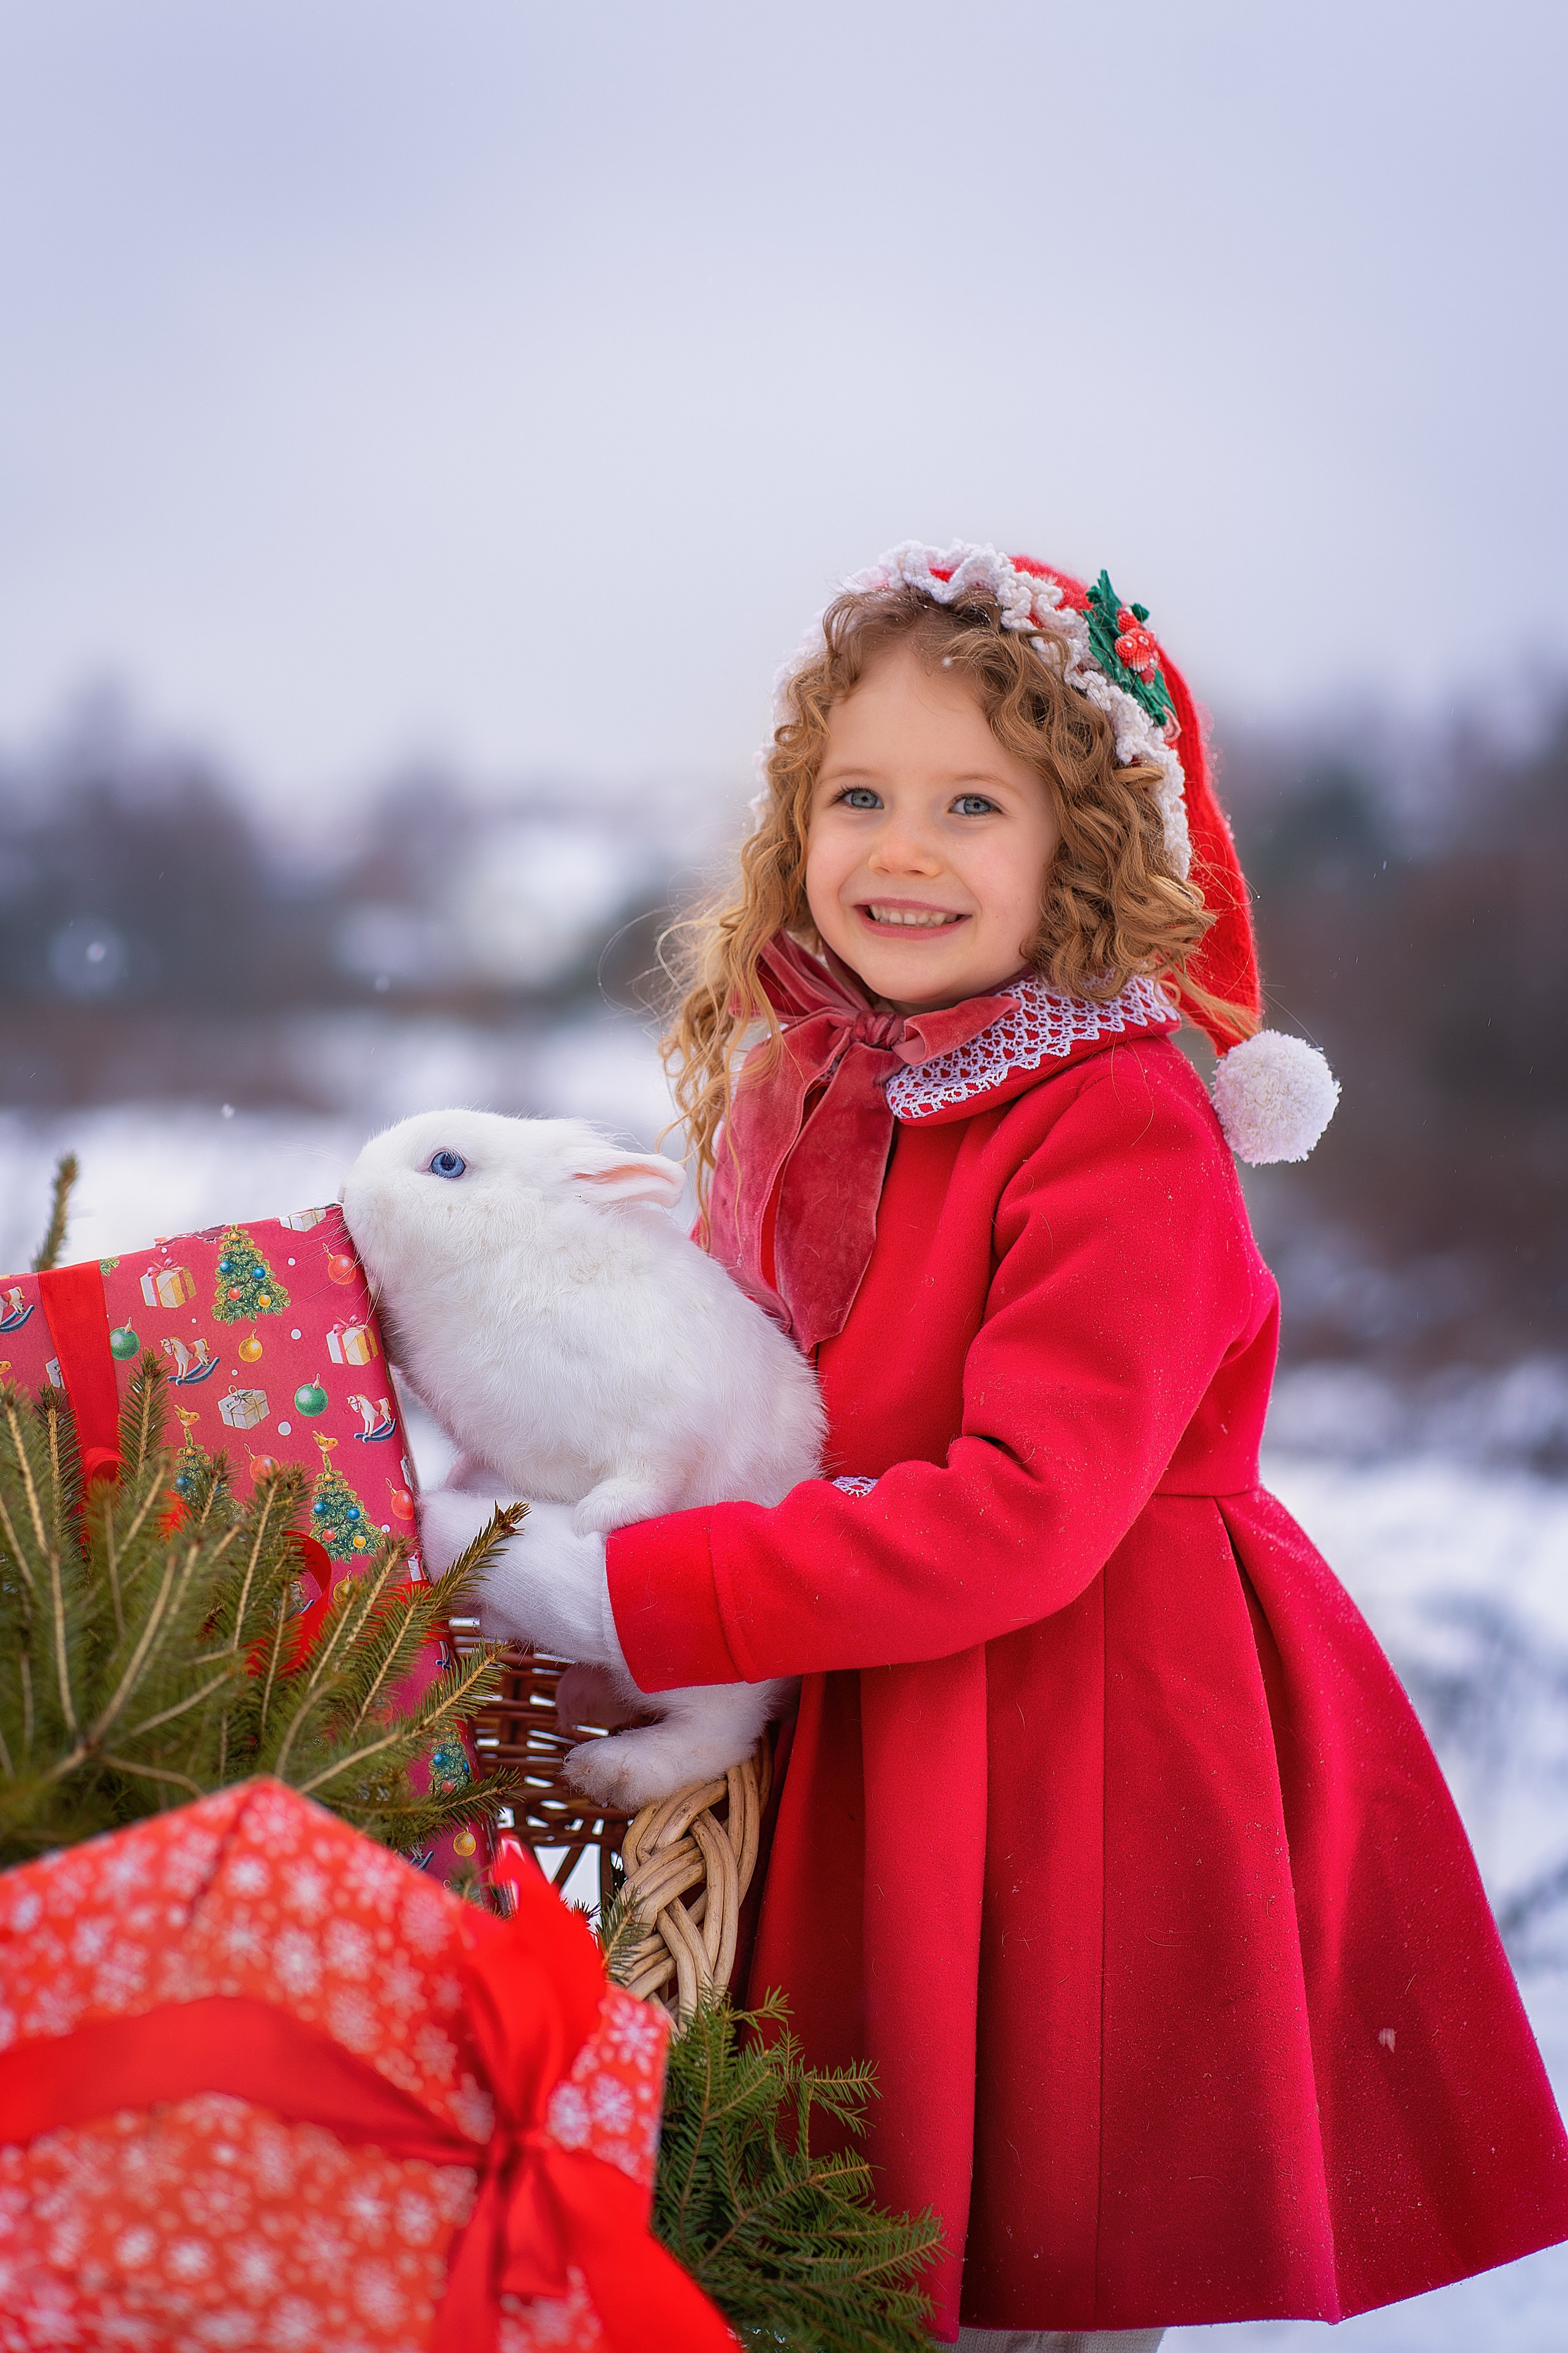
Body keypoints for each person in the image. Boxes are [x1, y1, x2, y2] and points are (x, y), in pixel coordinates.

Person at [449, 543, 1568, 2348]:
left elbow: (1021, 1518)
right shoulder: (806, 1081)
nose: (901, 848)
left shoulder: (1116, 1116)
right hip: (872, 1704)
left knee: (1039, 2245)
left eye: (973, 803)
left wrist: (639, 1591)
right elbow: (739, 1388)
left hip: (1082, 1736)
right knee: (858, 2243)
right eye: (859, 795)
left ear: (1084, 850)